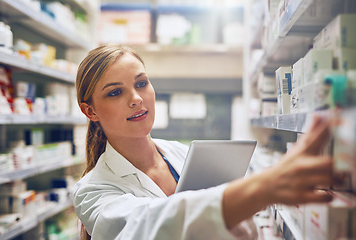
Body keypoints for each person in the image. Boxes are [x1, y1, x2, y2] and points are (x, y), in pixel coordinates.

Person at [72, 45, 340, 240]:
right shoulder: (92, 190)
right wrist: (264, 189)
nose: (137, 98)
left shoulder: (184, 154)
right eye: (115, 92)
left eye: (141, 83)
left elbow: (244, 230)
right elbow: (142, 226)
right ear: (90, 111)